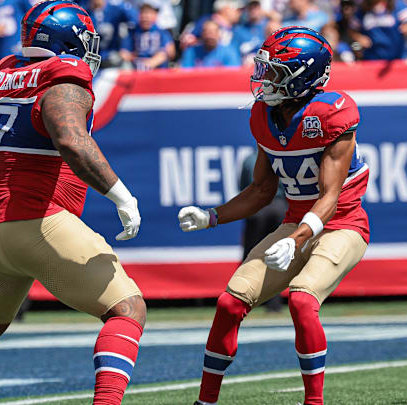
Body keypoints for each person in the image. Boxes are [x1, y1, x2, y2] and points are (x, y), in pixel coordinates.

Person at [0, 1, 146, 404]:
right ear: (68, 41)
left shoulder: (3, 76)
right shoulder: (63, 78)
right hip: (35, 220)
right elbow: (71, 141)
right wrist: (121, 194)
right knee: (127, 309)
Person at [178, 26, 369, 405]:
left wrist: (297, 239)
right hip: (294, 223)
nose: (265, 79)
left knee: (301, 299)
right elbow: (262, 191)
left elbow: (331, 197)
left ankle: (314, 402)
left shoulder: (332, 113)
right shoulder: (264, 116)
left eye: (276, 71)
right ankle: (205, 401)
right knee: (230, 303)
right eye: (265, 69)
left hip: (342, 225)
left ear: (304, 75)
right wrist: (211, 216)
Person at [238, 147, 287, 312]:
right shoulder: (280, 156)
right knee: (276, 254)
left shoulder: (249, 159)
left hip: (257, 207)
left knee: (251, 254)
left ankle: (243, 298)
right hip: (279, 206)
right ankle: (274, 304)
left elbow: (243, 186)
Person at [120, 0, 175, 70]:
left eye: (149, 13)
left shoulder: (161, 32)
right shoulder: (133, 32)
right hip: (136, 70)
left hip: (157, 71)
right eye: (143, 13)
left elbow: (170, 51)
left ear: (155, 15)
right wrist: (131, 57)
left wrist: (153, 61)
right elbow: (124, 52)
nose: (145, 17)